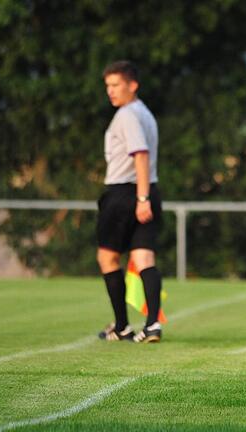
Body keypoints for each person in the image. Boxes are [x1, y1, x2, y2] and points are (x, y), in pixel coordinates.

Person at [96, 60, 163, 343]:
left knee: (107, 257)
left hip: (125, 193)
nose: (110, 91)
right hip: (148, 189)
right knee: (144, 257)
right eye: (107, 86)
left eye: (116, 85)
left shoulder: (127, 114)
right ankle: (152, 326)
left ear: (132, 85)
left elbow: (141, 154)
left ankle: (122, 326)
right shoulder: (145, 112)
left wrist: (141, 198)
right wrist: (147, 195)